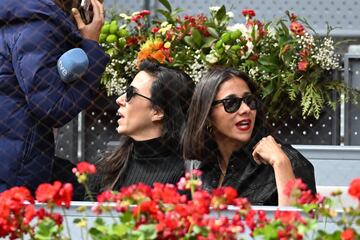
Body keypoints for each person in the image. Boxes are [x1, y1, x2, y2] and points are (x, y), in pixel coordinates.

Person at [0, 0, 109, 193]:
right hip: (16, 166)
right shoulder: (38, 25)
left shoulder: (19, 15)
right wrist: (91, 47)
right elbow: (52, 107)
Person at [182, 68, 316, 206]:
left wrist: (281, 164)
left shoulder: (289, 161)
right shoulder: (196, 166)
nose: (246, 109)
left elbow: (297, 225)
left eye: (249, 100)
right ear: (207, 114)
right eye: (231, 103)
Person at [90, 60, 195, 196]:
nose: (119, 100)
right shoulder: (107, 166)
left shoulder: (184, 178)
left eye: (130, 93)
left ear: (157, 112)